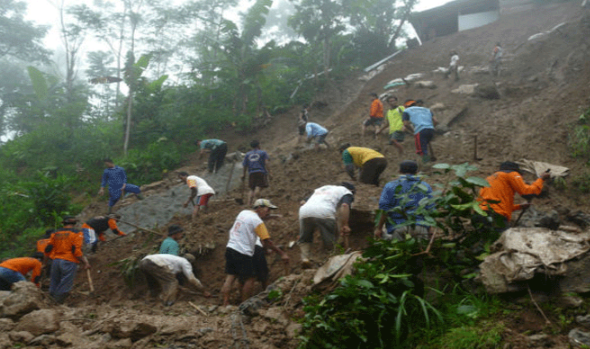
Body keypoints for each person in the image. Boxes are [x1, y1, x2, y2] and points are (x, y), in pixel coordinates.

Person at [221, 199, 289, 306]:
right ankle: (244, 305)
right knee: (250, 278)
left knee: (231, 277)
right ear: (259, 208)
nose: (269, 212)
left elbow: (253, 219)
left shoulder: (243, 213)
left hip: (230, 248)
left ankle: (225, 302)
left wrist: (270, 217)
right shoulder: (258, 222)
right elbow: (266, 241)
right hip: (243, 251)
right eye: (267, 209)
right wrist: (282, 253)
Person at [477, 162, 550, 231]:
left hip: (480, 214)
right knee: (500, 241)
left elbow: (497, 204)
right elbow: (527, 193)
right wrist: (541, 179)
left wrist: (519, 206)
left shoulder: (490, 178)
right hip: (495, 216)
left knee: (485, 241)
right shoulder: (512, 174)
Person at [298, 183, 355, 268]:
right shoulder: (346, 192)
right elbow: (345, 205)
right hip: (325, 212)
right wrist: (345, 224)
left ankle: (305, 259)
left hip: (304, 211)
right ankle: (331, 262)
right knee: (330, 241)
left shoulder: (321, 189)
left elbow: (302, 202)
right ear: (352, 191)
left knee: (305, 239)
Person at [374, 160, 434, 241]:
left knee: (399, 251)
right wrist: (430, 228)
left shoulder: (390, 186)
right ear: (416, 172)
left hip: (399, 228)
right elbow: (430, 209)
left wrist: (379, 228)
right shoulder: (425, 186)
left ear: (399, 171)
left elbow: (384, 209)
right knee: (421, 252)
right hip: (421, 228)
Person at [45, 216, 91, 304]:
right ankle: (57, 302)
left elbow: (48, 248)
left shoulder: (55, 233)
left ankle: (50, 300)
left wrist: (45, 262)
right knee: (66, 283)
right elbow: (76, 251)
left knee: (54, 281)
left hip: (56, 261)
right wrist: (85, 262)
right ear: (74, 224)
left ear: (64, 223)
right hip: (69, 261)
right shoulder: (77, 233)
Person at [138, 254, 210, 306]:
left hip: (143, 262)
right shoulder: (185, 262)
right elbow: (191, 279)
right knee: (172, 282)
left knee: (153, 284)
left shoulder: (174, 260)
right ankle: (168, 302)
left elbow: (166, 277)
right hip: (153, 263)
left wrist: (180, 288)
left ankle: (149, 300)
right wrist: (203, 290)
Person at [242, 140, 271, 207]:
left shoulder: (248, 154)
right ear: (258, 145)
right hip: (261, 172)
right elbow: (266, 162)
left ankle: (249, 203)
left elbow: (244, 165)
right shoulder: (263, 153)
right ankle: (256, 201)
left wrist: (243, 174)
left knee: (252, 188)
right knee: (259, 187)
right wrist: (270, 172)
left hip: (251, 173)